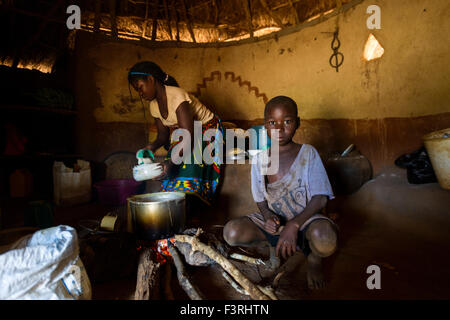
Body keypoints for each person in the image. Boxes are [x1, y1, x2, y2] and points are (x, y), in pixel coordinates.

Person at [223, 96, 338, 290]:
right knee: (231, 232)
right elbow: (260, 199)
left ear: (297, 123)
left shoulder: (308, 153)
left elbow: (320, 198)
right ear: (265, 126)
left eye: (287, 121)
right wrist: (268, 217)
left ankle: (314, 259)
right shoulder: (260, 160)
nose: (279, 128)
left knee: (326, 238)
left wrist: (294, 224)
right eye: (272, 122)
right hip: (277, 221)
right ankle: (274, 247)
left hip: (307, 219)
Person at [128, 61, 224, 210]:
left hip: (208, 129)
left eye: (140, 87)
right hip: (188, 132)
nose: (140, 93)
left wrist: (170, 163)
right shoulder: (153, 105)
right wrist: (151, 147)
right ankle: (176, 200)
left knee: (191, 154)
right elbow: (162, 136)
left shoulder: (177, 96)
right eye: (137, 90)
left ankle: (193, 201)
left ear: (151, 80)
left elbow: (189, 135)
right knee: (175, 152)